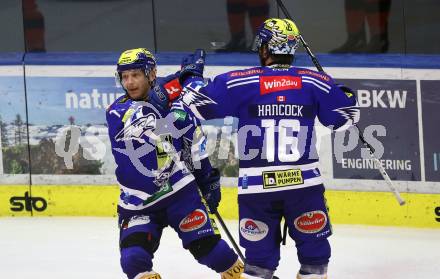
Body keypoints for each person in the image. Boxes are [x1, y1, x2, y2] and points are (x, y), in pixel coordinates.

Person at [177, 19, 360, 279]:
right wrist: (343, 93)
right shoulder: (315, 81)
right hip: (304, 188)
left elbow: (193, 103)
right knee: (315, 259)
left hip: (258, 191)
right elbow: (346, 118)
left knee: (259, 266)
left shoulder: (240, 81)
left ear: (265, 48)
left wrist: (190, 76)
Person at [106, 48, 244, 279]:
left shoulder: (167, 102)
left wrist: (207, 179)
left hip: (180, 194)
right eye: (124, 76)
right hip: (138, 203)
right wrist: (182, 96)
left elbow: (194, 144)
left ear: (151, 75)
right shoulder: (117, 112)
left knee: (213, 253)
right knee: (133, 260)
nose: (129, 82)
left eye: (136, 75)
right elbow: (167, 127)